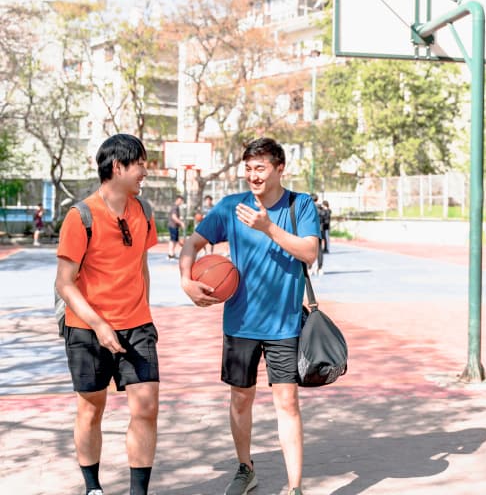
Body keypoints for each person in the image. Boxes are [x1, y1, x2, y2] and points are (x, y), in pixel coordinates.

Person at [179, 137, 320, 495]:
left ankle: (295, 486)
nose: (253, 175)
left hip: (284, 323)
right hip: (240, 322)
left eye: (260, 168)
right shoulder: (230, 207)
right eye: (248, 168)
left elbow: (310, 253)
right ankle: (246, 468)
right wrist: (186, 281)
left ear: (279, 168)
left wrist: (267, 227)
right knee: (240, 398)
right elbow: (192, 244)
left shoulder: (298, 205)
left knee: (287, 401)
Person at [55, 134, 159, 495]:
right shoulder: (80, 216)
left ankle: (138, 492)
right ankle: (93, 488)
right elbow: (65, 283)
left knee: (146, 407)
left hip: (137, 326)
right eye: (140, 163)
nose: (145, 171)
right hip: (86, 327)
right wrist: (99, 324)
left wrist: (143, 313)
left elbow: (141, 265)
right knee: (91, 408)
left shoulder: (144, 211)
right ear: (118, 167)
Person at [309, 194, 324, 275]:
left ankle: (309, 268)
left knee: (309, 248)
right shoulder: (321, 208)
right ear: (317, 199)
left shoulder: (309, 208)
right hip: (320, 230)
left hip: (311, 230)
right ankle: (320, 268)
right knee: (319, 250)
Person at [168, 194, 185, 259]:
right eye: (181, 201)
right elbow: (174, 217)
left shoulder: (175, 207)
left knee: (174, 240)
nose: (181, 202)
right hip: (173, 225)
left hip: (174, 225)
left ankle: (172, 253)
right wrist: (181, 223)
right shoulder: (175, 207)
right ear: (178, 200)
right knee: (173, 240)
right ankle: (170, 254)